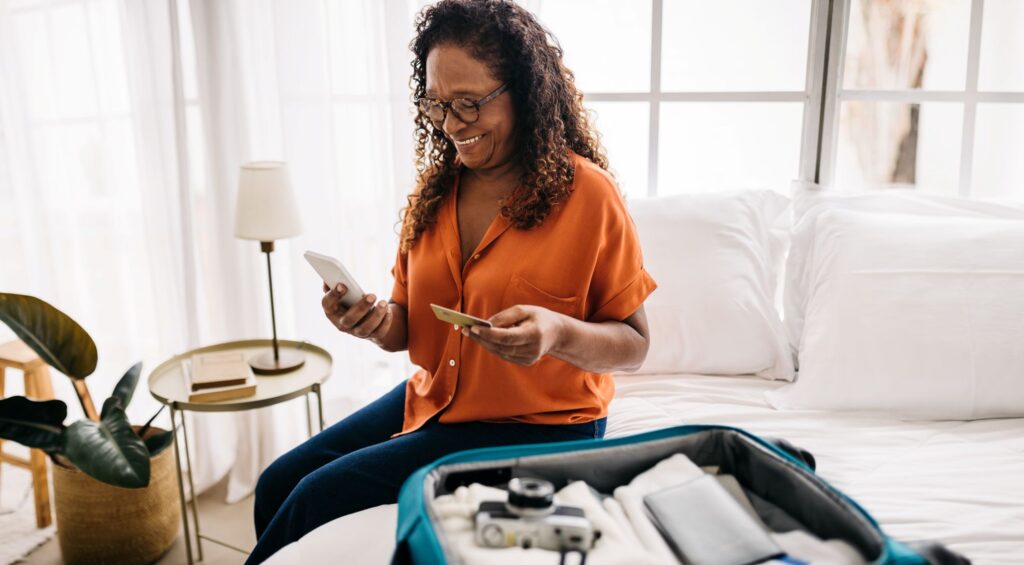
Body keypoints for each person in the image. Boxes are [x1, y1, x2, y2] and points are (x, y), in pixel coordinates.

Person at [247, 0, 656, 562]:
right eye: (438, 104)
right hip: (437, 395)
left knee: (318, 494)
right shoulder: (435, 195)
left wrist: (557, 333)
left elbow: (634, 346)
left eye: (469, 103)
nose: (451, 123)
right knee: (276, 482)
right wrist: (370, 323)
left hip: (540, 428)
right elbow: (406, 329)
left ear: (525, 92)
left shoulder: (588, 195)